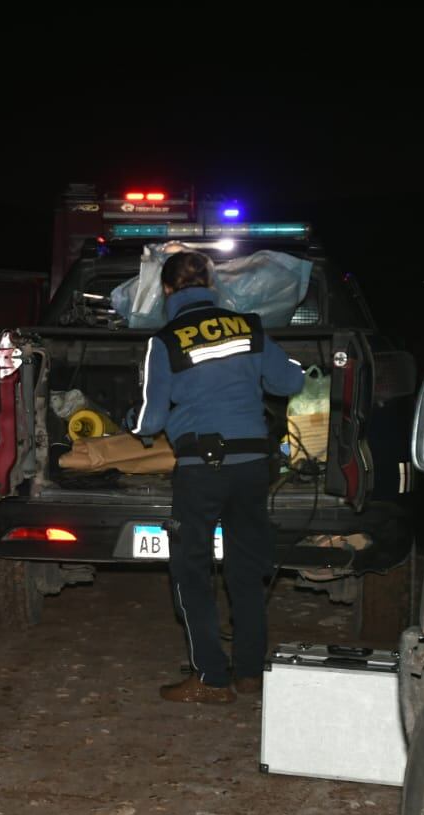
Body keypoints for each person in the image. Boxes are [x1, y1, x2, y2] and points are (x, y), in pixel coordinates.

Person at [132, 250, 304, 703]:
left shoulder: (165, 341)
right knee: (246, 570)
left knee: (192, 571)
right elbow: (289, 383)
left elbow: (150, 420)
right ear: (213, 285)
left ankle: (210, 679)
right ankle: (249, 672)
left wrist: (136, 428)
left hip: (201, 469)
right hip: (252, 467)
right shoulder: (250, 327)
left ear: (167, 290)